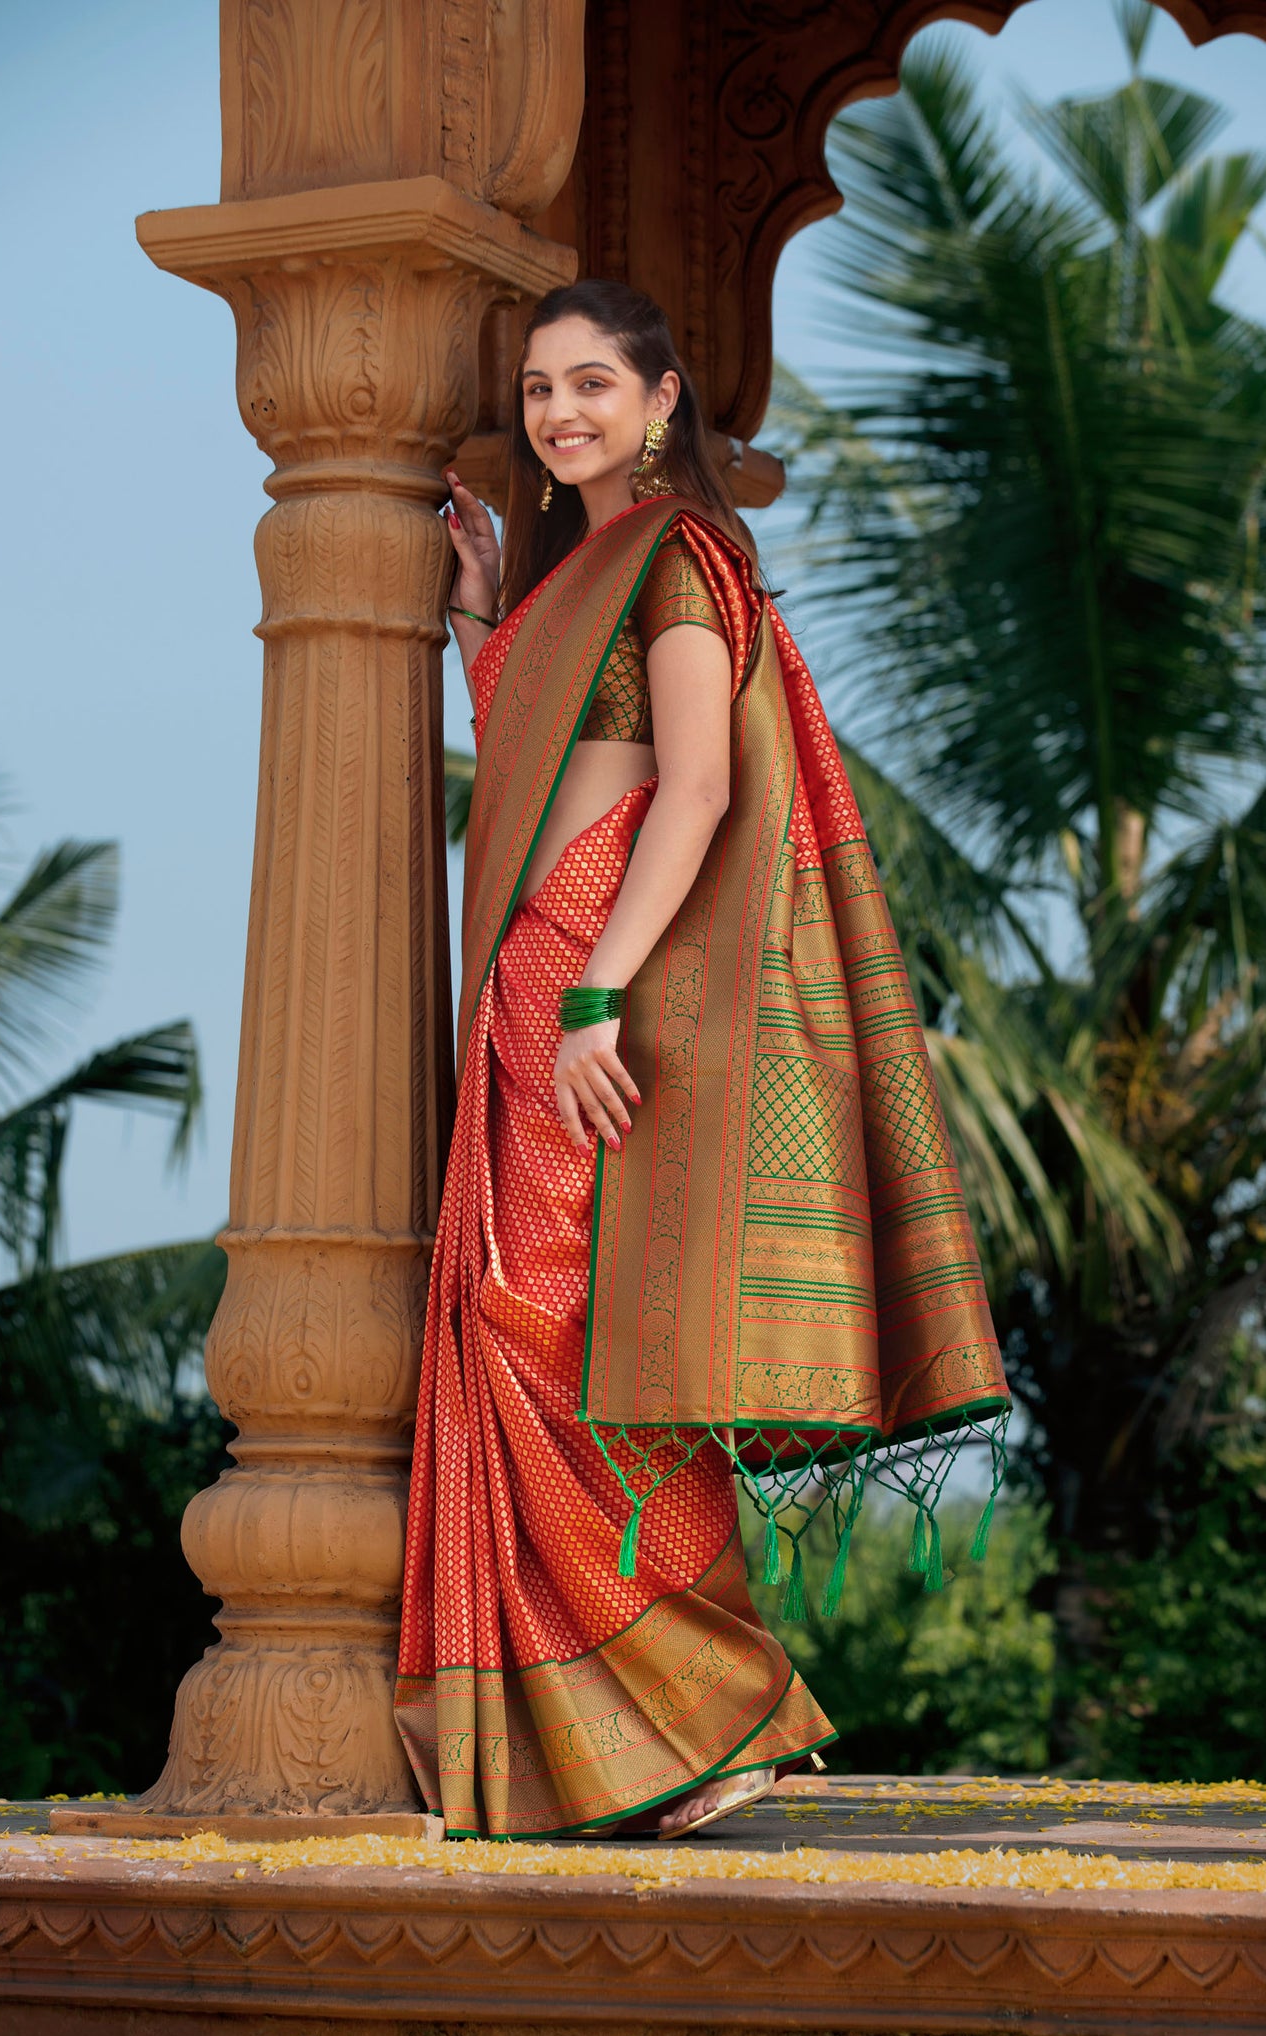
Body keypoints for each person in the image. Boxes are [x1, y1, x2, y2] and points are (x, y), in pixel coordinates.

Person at [393, 279, 1008, 1842]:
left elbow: (696, 787)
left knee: (558, 1334)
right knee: (523, 1323)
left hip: (588, 987)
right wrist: (479, 610)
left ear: (663, 401)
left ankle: (715, 1707)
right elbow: (551, 751)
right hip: (531, 984)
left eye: (592, 383)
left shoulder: (676, 559)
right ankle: (589, 1739)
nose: (559, 412)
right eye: (539, 389)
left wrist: (599, 992)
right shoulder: (579, 573)